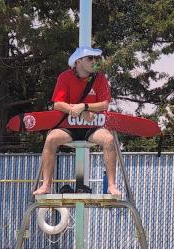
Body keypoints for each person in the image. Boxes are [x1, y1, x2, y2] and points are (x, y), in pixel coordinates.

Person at [33, 46, 120, 197]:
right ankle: (46, 185)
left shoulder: (100, 78)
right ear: (78, 62)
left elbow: (104, 104)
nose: (94, 61)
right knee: (51, 139)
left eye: (96, 58)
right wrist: (80, 113)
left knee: (109, 139)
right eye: (90, 58)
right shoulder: (64, 77)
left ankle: (112, 186)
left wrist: (84, 107)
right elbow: (58, 104)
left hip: (93, 127)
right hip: (69, 127)